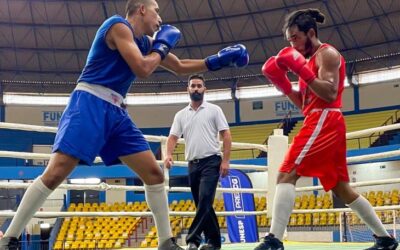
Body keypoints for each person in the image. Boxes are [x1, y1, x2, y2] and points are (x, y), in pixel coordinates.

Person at [0, 0, 249, 249]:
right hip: (90, 102)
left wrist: (217, 60)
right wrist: (161, 47)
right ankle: (10, 237)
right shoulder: (117, 26)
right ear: (141, 9)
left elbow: (180, 66)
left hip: (116, 112)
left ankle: (165, 242)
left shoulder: (146, 44)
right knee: (56, 173)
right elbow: (142, 68)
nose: (160, 19)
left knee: (153, 175)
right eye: (157, 11)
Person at [255, 8, 398, 250]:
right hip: (319, 117)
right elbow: (305, 104)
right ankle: (385, 238)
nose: (293, 45)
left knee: (286, 172)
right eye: (290, 41)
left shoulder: (327, 54)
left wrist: (300, 70)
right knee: (340, 187)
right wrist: (284, 85)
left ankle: (274, 240)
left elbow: (330, 93)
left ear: (311, 33)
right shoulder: (309, 61)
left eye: (296, 38)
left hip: (324, 119)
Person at [164, 74, 232, 250]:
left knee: (204, 199)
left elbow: (226, 135)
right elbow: (172, 138)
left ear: (204, 89)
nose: (195, 88)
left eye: (199, 86)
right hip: (192, 164)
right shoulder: (180, 115)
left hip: (211, 161)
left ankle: (193, 240)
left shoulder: (214, 110)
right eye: (192, 85)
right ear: (188, 89)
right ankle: (214, 243)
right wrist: (168, 154)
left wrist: (225, 161)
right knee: (203, 204)